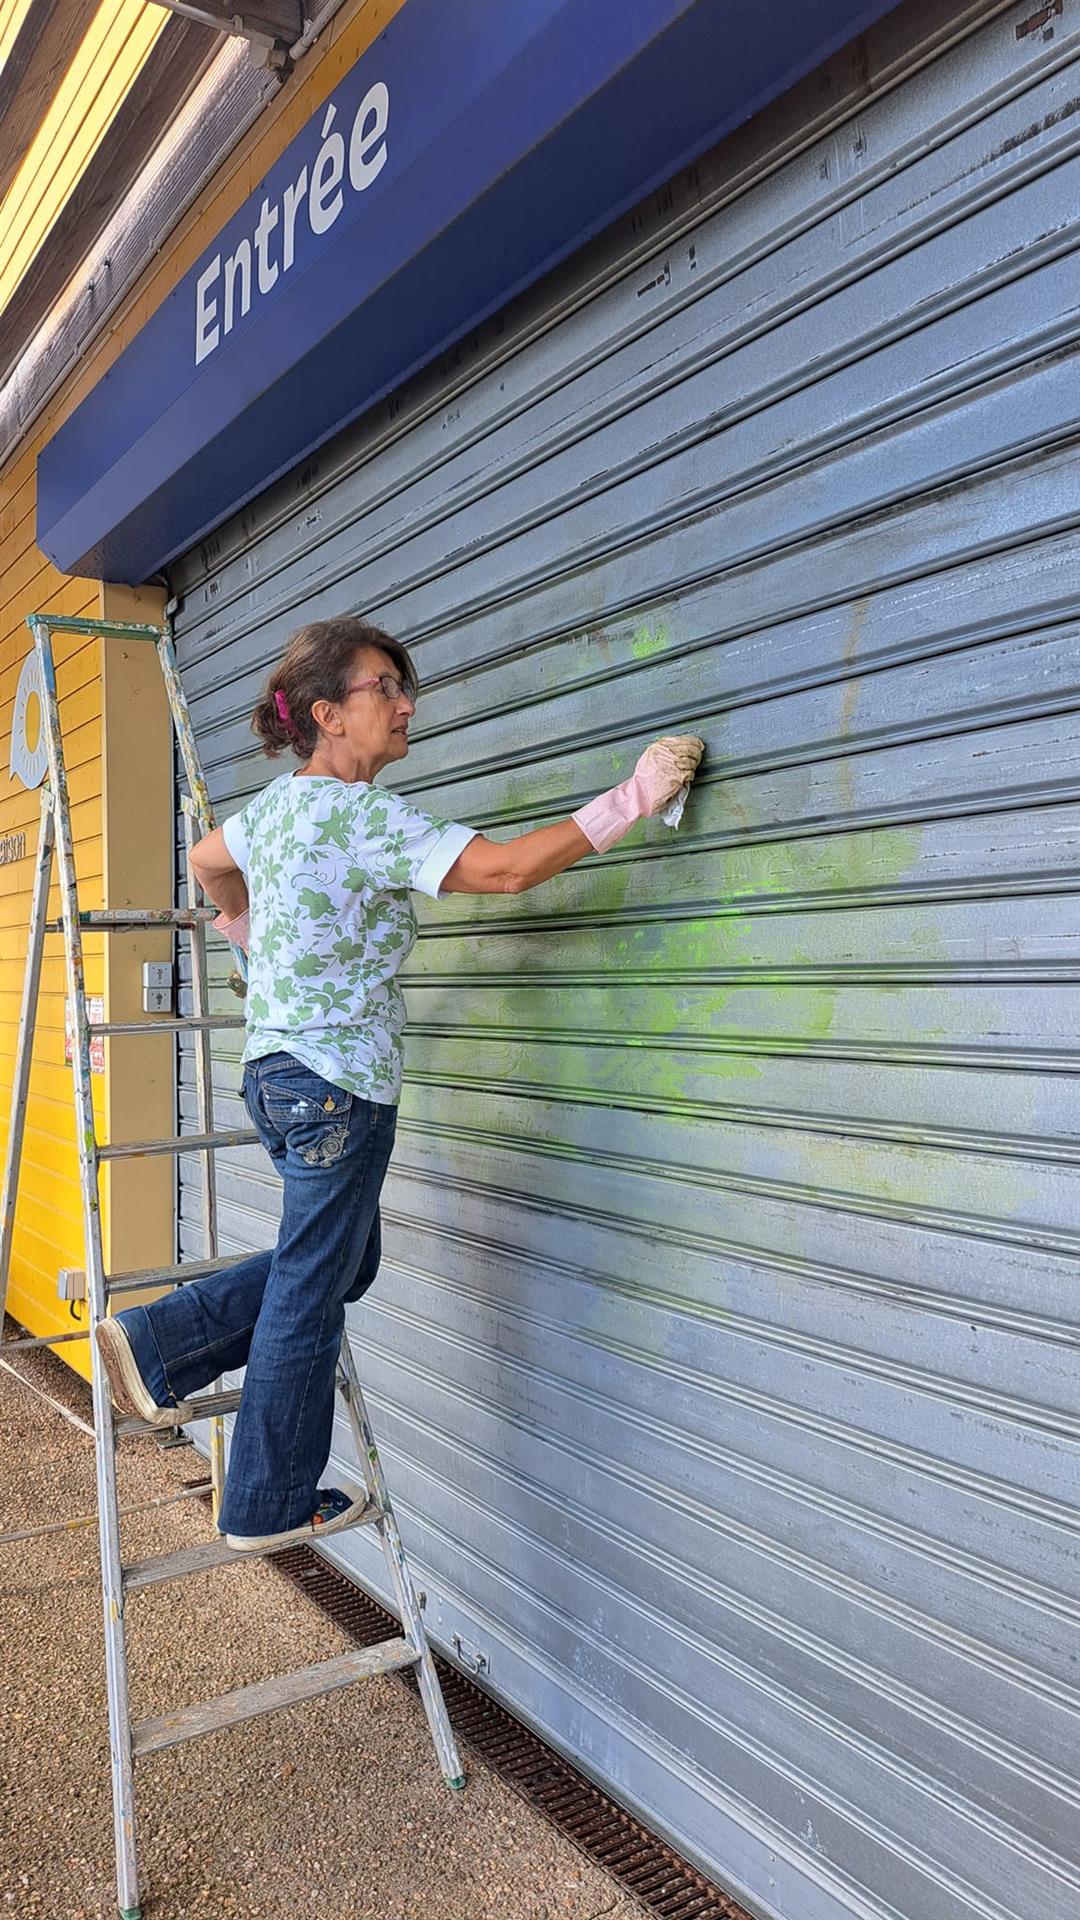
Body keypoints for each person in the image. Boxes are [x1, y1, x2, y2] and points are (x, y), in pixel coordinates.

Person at [95, 616, 703, 1551]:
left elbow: (209, 862)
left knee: (345, 1263)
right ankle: (263, 1496)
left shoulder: (278, 810)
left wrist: (244, 927)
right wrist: (629, 798)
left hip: (278, 1076)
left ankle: (159, 1343)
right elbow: (501, 875)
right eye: (386, 687)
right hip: (339, 1083)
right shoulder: (364, 815)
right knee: (313, 1282)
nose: (406, 703)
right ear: (330, 714)